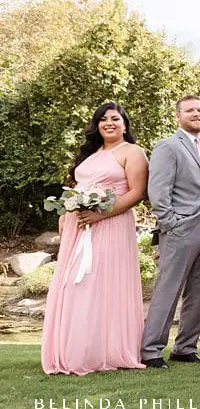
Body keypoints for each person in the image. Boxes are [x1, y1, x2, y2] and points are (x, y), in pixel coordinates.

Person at [42, 102, 148, 375]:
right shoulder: (91, 154)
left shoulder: (133, 152)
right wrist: (66, 214)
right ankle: (74, 348)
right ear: (97, 125)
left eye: (115, 118)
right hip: (79, 227)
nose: (108, 123)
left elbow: (136, 192)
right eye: (103, 119)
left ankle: (106, 350)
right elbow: (78, 187)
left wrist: (101, 215)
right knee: (74, 285)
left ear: (125, 124)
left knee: (100, 284)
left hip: (111, 226)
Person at [141, 95, 200, 368]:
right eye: (190, 110)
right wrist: (171, 223)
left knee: (198, 292)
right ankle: (151, 350)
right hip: (179, 229)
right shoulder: (167, 147)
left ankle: (185, 347)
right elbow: (158, 191)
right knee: (168, 289)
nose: (196, 113)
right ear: (178, 116)